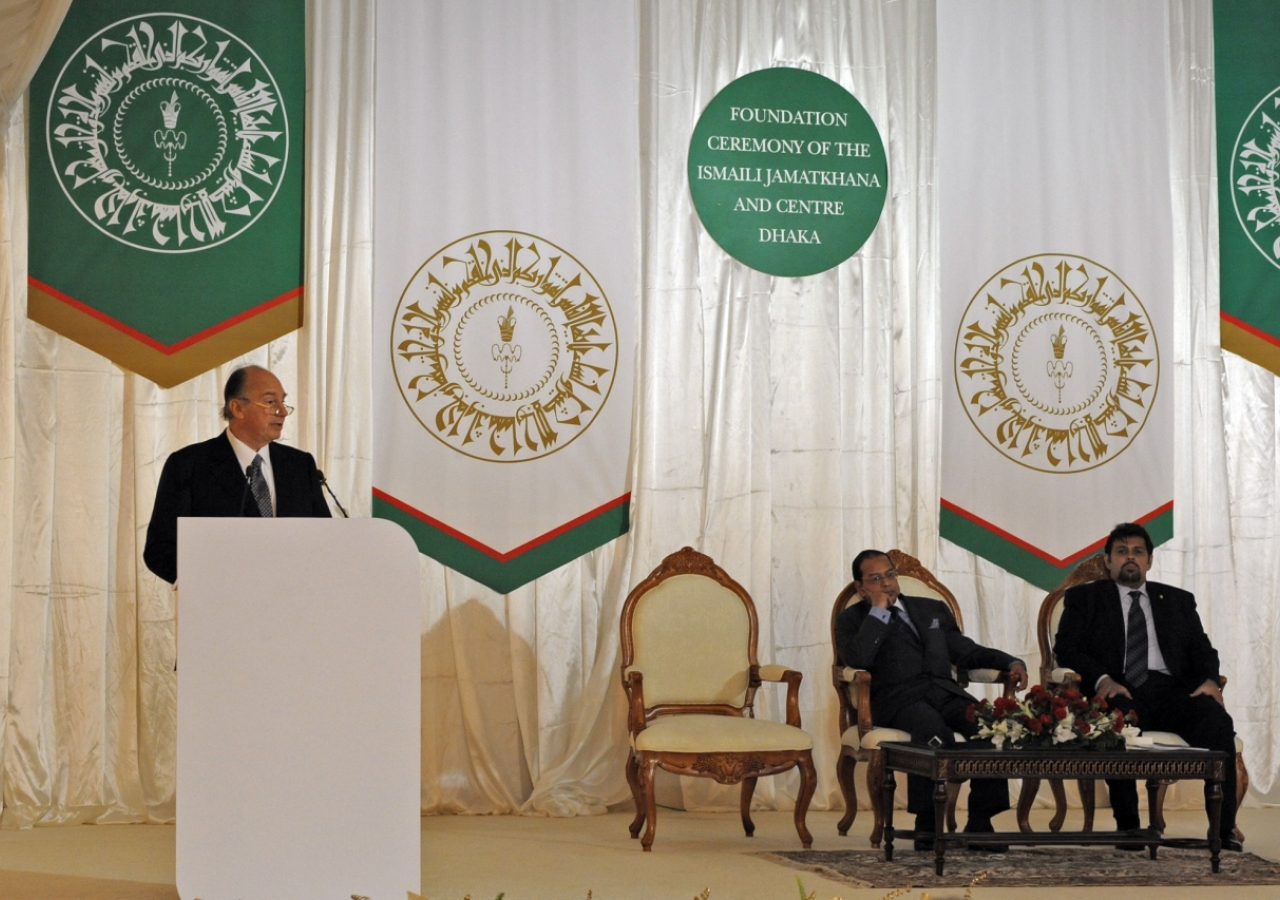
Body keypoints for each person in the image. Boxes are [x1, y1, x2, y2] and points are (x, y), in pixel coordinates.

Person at [1054, 522, 1241, 851]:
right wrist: (1102, 680)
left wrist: (1210, 681)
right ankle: (1130, 830)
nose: (1131, 558)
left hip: (1171, 692)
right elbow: (1068, 648)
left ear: (1149, 561)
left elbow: (1201, 649)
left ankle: (1223, 831)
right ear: (1108, 560)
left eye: (1138, 552)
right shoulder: (1084, 598)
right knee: (1112, 722)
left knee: (1218, 722)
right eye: (1122, 551)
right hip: (1118, 689)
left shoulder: (1178, 601)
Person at [835, 550, 1029, 851]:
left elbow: (965, 650)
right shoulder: (852, 619)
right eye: (875, 579)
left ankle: (980, 821)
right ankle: (926, 823)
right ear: (861, 588)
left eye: (889, 574)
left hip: (945, 692)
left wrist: (1011, 661)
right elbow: (858, 658)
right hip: (899, 700)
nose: (886, 583)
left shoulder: (931, 609)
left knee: (991, 729)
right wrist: (879, 613)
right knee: (933, 733)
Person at [143, 365, 331, 584]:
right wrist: (206, 584)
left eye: (283, 401)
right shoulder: (189, 465)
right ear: (237, 408)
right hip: (220, 607)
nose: (282, 411)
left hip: (294, 604)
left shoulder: (300, 465)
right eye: (271, 402)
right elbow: (159, 549)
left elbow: (324, 539)